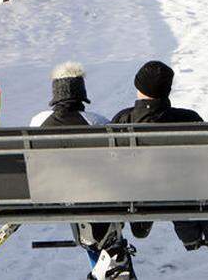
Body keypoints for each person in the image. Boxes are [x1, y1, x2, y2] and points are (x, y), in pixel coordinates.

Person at [113, 61, 208, 251]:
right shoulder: (188, 118)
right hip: (181, 190)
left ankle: (142, 217)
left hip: (137, 192)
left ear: (138, 86)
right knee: (187, 179)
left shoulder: (122, 120)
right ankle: (199, 230)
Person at [35, 64, 135, 278]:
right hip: (94, 194)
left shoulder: (37, 122)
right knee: (100, 198)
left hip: (50, 192)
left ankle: (104, 263)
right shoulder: (97, 122)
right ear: (82, 94)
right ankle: (111, 259)